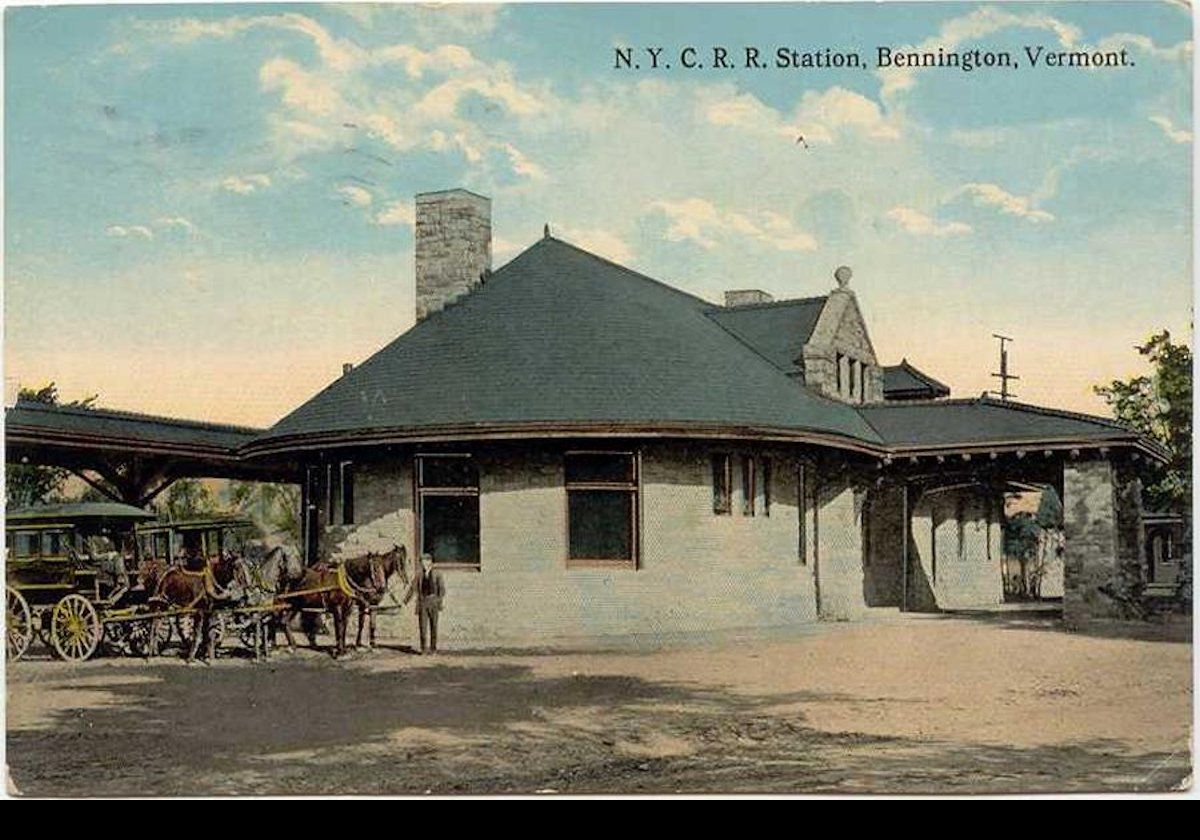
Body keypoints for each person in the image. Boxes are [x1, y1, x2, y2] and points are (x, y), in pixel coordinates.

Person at [402, 553, 446, 654]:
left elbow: (442, 589)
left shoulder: (437, 574)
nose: (424, 564)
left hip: (433, 601)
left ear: (430, 562)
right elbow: (412, 588)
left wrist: (438, 600)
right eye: (422, 562)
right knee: (422, 627)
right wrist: (405, 601)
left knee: (434, 626)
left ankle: (433, 649)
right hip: (422, 602)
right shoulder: (419, 575)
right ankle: (423, 649)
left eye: (425, 561)